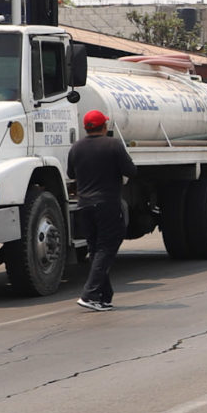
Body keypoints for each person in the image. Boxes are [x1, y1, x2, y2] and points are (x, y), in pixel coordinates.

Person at [67, 108, 136, 311]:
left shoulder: (76, 147)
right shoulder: (113, 144)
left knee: (96, 249)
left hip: (84, 205)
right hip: (107, 204)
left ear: (86, 127)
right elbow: (131, 171)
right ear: (104, 126)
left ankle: (104, 297)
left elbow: (71, 173)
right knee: (107, 248)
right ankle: (89, 294)